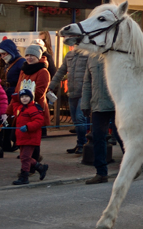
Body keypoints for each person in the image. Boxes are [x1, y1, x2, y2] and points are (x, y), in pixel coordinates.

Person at [81, 54, 122, 185]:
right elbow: (87, 82)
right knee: (98, 138)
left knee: (121, 136)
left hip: (117, 104)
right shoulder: (91, 58)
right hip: (98, 105)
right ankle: (101, 173)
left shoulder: (116, 54)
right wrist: (85, 104)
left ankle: (133, 167)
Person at [49, 48, 90, 155]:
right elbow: (61, 71)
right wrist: (51, 86)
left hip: (84, 93)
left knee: (80, 118)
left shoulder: (89, 54)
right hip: (72, 92)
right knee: (76, 120)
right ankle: (80, 143)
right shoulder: (69, 55)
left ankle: (83, 144)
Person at [10, 80, 49, 185]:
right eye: (22, 97)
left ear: (31, 97)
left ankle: (24, 176)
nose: (24, 98)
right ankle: (40, 167)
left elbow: (39, 121)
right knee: (24, 157)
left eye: (26, 96)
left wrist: (27, 127)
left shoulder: (33, 108)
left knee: (25, 158)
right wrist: (15, 98)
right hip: (22, 137)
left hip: (30, 137)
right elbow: (14, 108)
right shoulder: (20, 108)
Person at [10, 44, 51, 131]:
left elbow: (39, 93)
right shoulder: (23, 70)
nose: (29, 57)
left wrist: (19, 96)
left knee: (32, 140)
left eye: (32, 55)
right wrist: (9, 110)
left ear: (38, 56)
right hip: (21, 110)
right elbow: (17, 89)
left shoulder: (43, 71)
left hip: (36, 111)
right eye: (27, 55)